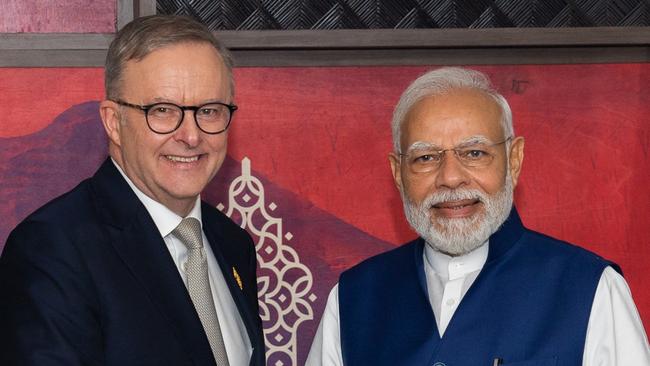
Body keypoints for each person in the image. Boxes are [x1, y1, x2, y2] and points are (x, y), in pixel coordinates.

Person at [306, 67, 650, 365]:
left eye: (474, 153)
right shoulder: (354, 298)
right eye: (425, 158)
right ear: (398, 173)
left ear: (513, 160)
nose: (451, 177)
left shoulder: (589, 288)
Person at [0, 15, 265, 366]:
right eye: (163, 111)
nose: (190, 136)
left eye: (210, 110)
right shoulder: (52, 250)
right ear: (113, 122)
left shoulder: (233, 244)